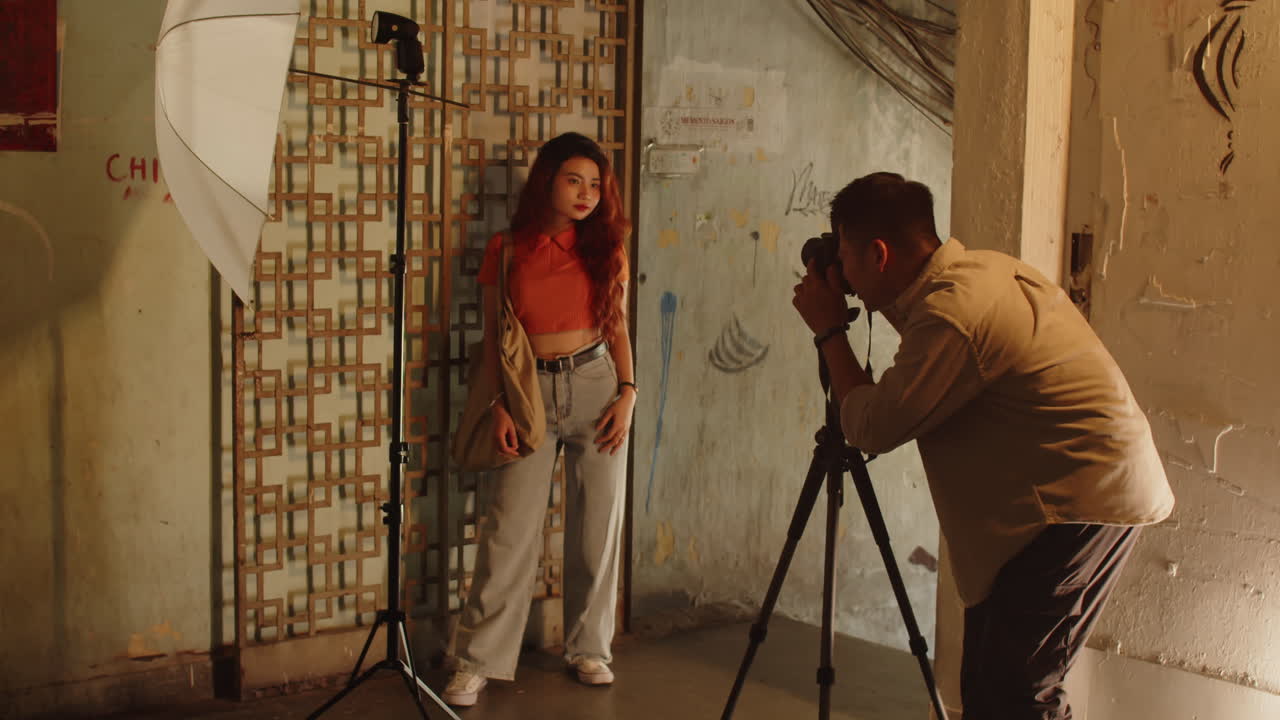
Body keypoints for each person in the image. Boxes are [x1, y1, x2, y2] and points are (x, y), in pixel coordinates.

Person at [791, 172, 1174, 719]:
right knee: (992, 689)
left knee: (1016, 696)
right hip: (1066, 498)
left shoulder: (953, 314)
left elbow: (873, 425)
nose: (842, 275)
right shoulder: (979, 273)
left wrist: (830, 331)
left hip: (1079, 501)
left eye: (845, 256)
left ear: (878, 254)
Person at [443, 132, 636, 707]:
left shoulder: (607, 247)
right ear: (547, 180)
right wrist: (497, 403)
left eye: (596, 184)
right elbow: (492, 341)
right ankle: (477, 660)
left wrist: (629, 391)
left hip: (599, 386)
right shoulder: (507, 249)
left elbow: (618, 326)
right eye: (574, 180)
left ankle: (589, 648)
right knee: (508, 530)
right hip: (528, 395)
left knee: (597, 529)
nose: (586, 194)